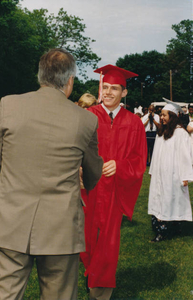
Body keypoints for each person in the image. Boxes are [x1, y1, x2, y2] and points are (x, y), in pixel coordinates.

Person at [0, 48, 103, 300]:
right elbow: (93, 174)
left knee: (3, 294)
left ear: (40, 77)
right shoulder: (86, 120)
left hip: (10, 217)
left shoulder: (9, 104)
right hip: (61, 225)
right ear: (70, 81)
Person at [80, 64, 147, 300]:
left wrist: (120, 165)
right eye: (105, 87)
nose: (108, 92)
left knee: (108, 246)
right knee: (85, 241)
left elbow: (140, 161)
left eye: (114, 88)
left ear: (124, 93)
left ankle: (100, 292)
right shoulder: (89, 117)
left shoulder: (134, 123)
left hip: (114, 193)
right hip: (89, 190)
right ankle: (90, 276)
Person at [148, 99, 193, 242]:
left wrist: (185, 176)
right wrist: (152, 171)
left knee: (172, 199)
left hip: (174, 174)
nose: (161, 118)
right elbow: (155, 153)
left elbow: (186, 156)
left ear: (172, 116)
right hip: (160, 173)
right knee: (160, 199)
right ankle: (162, 228)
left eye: (164, 115)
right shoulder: (161, 132)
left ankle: (170, 228)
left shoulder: (180, 133)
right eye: (161, 115)